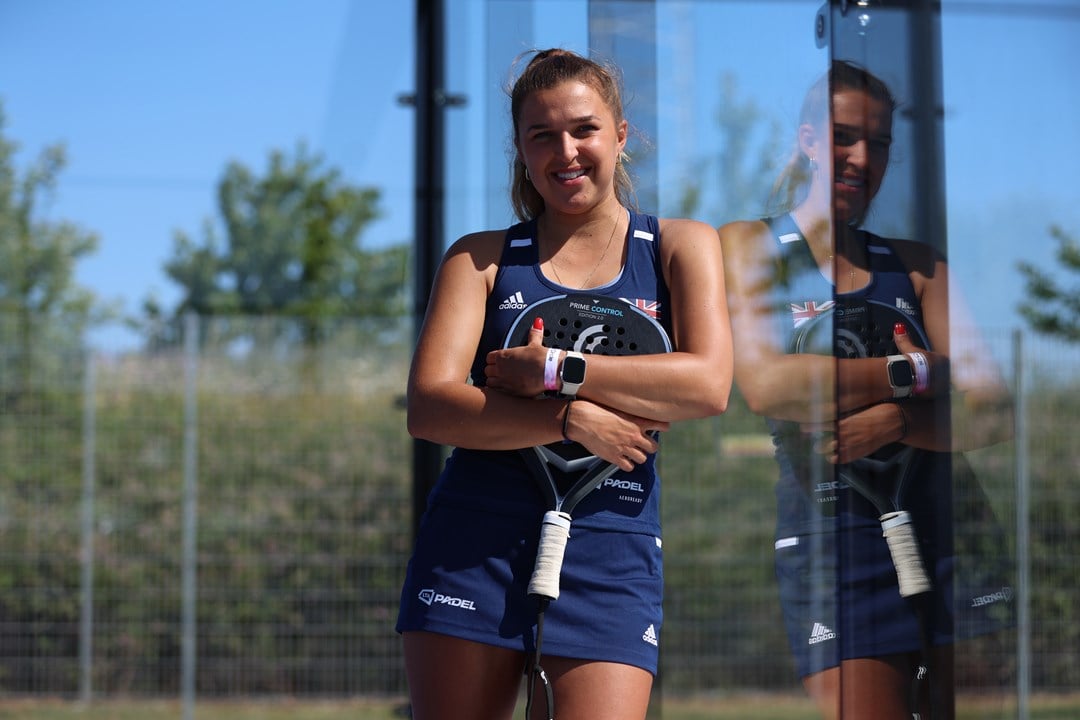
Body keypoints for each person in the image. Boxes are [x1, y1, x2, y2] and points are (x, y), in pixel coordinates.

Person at [397, 48, 732, 720]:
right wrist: (567, 418)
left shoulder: (679, 245)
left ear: (620, 135)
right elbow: (431, 406)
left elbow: (707, 385)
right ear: (520, 149)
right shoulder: (481, 257)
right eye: (541, 135)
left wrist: (555, 372)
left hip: (613, 547)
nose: (566, 151)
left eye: (584, 129)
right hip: (474, 542)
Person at [718, 60, 1014, 720]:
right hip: (831, 549)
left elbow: (996, 411)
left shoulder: (917, 267)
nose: (860, 157)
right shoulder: (749, 245)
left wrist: (901, 425)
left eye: (878, 142)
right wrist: (916, 374)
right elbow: (768, 384)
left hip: (950, 535)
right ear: (807, 141)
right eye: (844, 136)